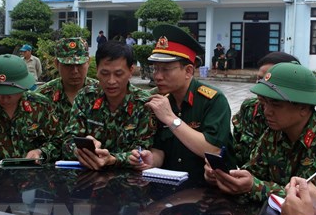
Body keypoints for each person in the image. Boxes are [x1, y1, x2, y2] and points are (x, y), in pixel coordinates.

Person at [205, 62, 316, 203]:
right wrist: (226, 177)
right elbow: (252, 173)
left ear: (303, 108)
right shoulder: (273, 133)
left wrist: (254, 186)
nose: (267, 111)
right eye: (264, 103)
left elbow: (313, 199)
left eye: (276, 104)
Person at [135, 24, 233, 181]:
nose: (158, 76)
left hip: (205, 190)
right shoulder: (160, 100)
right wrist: (150, 160)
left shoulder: (213, 100)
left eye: (165, 69)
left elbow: (213, 149)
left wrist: (170, 119)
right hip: (168, 186)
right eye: (155, 69)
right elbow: (159, 149)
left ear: (188, 71)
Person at [61, 41, 156, 170]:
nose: (111, 81)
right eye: (105, 74)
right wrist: (80, 151)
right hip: (88, 179)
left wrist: (113, 159)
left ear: (130, 71)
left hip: (130, 181)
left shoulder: (144, 103)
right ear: (97, 71)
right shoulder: (86, 97)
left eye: (118, 74)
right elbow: (67, 141)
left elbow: (143, 151)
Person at [0, 54, 61, 162]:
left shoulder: (41, 106)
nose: (5, 98)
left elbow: (58, 143)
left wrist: (41, 152)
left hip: (34, 176)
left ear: (24, 87)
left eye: (11, 92)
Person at [231, 51, 299, 167]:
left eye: (268, 82)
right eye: (259, 79)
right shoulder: (249, 109)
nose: (260, 86)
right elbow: (233, 151)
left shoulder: (295, 117)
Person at [37, 37, 98, 125]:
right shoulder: (43, 96)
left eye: (80, 64)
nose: (75, 71)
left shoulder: (101, 93)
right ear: (57, 64)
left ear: (88, 62)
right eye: (68, 65)